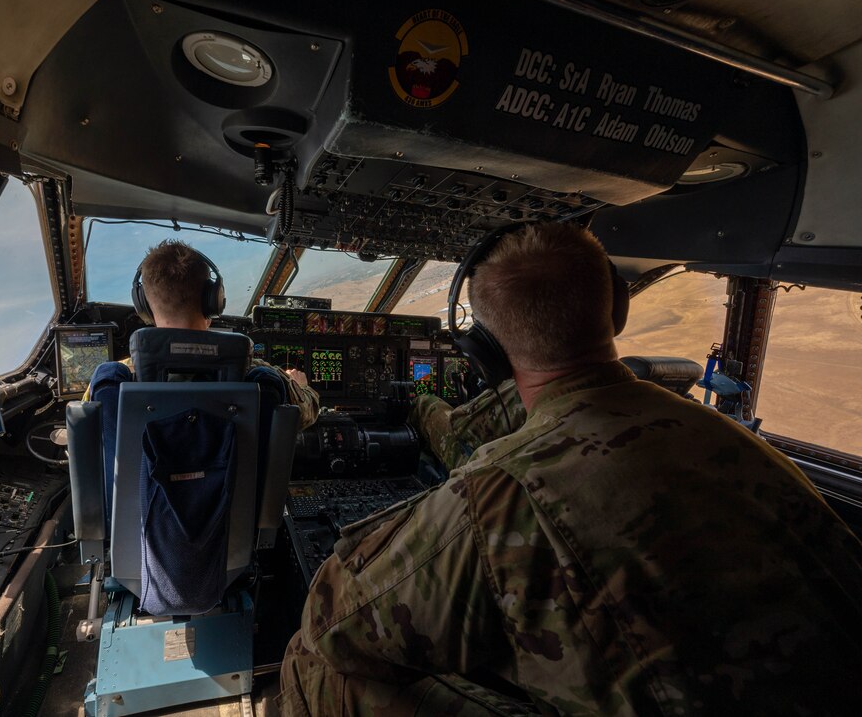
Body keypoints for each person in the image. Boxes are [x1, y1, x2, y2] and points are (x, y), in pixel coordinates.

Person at [279, 222, 862, 715]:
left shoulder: (501, 489)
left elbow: (335, 621)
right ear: (616, 310)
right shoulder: (729, 435)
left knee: (315, 662)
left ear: (484, 348)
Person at [84, 239, 319, 429]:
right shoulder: (256, 373)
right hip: (232, 489)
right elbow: (304, 414)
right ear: (213, 301)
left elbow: (85, 428)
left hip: (143, 489)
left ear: (143, 306)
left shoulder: (117, 379)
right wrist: (303, 387)